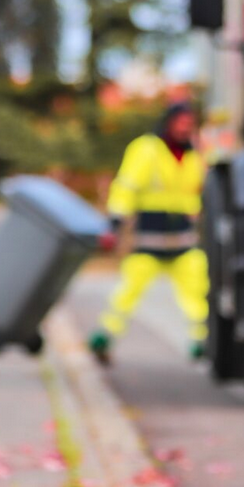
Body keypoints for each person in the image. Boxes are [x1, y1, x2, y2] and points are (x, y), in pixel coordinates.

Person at [90, 102, 208, 365]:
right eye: (181, 122)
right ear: (168, 122)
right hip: (150, 240)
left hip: (183, 241)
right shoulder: (147, 149)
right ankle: (105, 335)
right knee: (128, 290)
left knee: (198, 293)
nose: (185, 129)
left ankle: (202, 342)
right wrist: (115, 222)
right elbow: (126, 187)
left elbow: (196, 193)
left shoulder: (194, 155)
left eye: (189, 124)